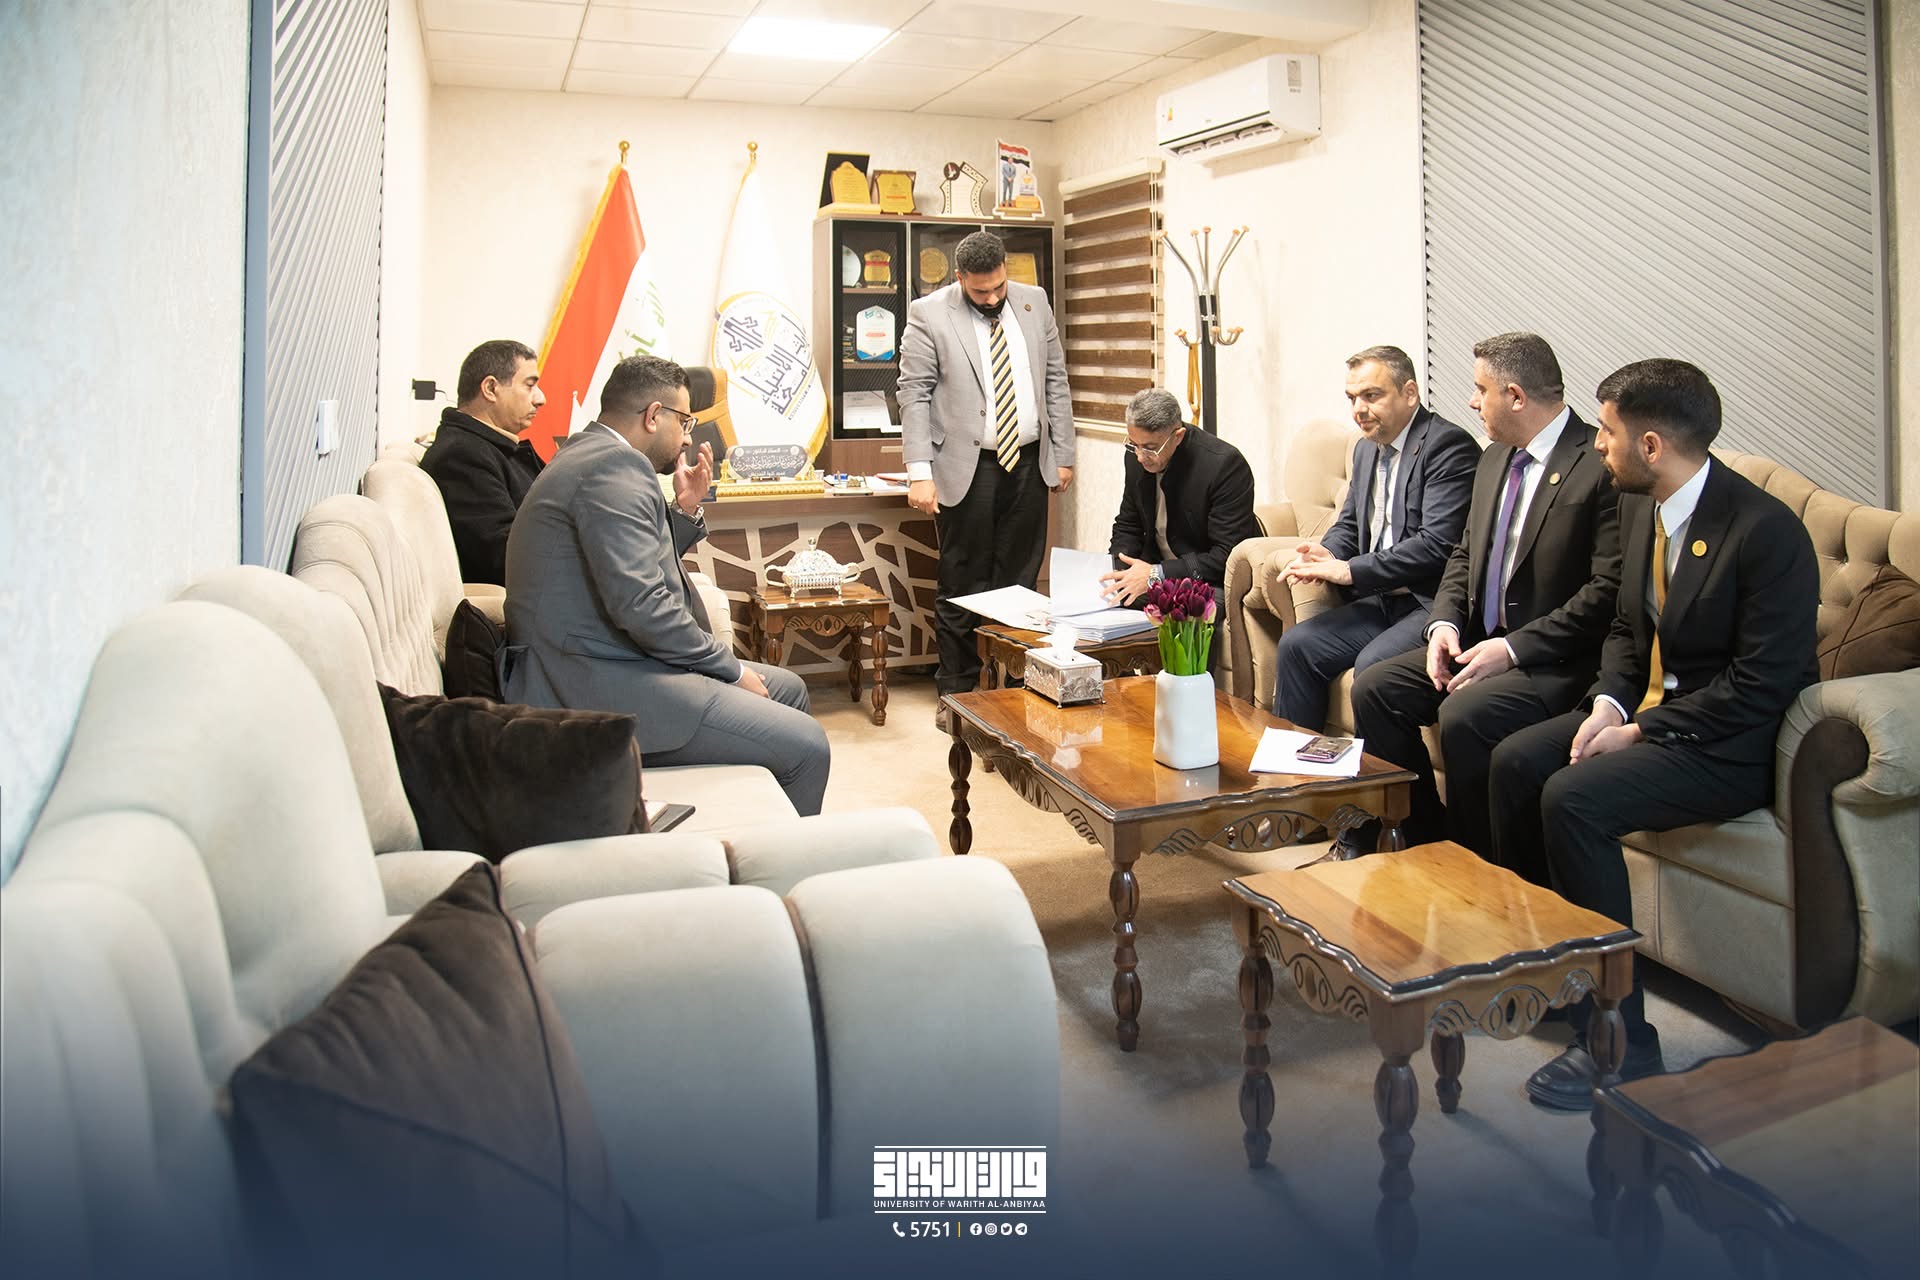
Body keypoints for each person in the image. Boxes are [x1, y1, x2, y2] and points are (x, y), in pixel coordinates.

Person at [1487, 359, 1819, 1110]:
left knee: (1573, 799)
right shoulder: (1641, 507)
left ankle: (1622, 1038)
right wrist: (1609, 704)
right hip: (1647, 715)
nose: (1596, 445)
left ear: (1650, 445)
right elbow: (1626, 630)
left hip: (1729, 744)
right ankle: (1552, 973)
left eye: (1606, 433)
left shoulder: (1767, 533)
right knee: (1513, 761)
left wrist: (1640, 731)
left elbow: (1760, 686)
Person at [501, 355, 831, 816]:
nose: (689, 436)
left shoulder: (593, 453)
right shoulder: (613, 466)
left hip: (603, 660)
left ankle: (755, 819)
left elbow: (629, 564)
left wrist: (684, 509)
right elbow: (642, 604)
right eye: (685, 421)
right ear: (654, 415)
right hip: (589, 684)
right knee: (809, 746)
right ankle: (773, 855)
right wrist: (730, 669)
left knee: (788, 688)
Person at [1347, 333, 1621, 860]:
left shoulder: (1597, 464)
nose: (1472, 402)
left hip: (1553, 659)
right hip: (1478, 640)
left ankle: (1475, 862)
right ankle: (1423, 837)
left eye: (1480, 390)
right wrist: (1444, 625)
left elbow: (1605, 592)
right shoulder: (1495, 457)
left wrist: (1513, 649)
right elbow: (1464, 554)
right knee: (1376, 688)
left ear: (1515, 396)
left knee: (1464, 714)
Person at [899, 230, 1074, 722]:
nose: (993, 298)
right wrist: (919, 472)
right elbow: (913, 394)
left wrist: (1063, 453)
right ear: (960, 278)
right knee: (964, 582)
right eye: (980, 291)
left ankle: (1014, 694)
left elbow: (1055, 380)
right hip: (965, 467)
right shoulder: (929, 313)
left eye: (998, 287)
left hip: (1028, 463)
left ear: (1006, 272)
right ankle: (957, 697)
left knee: (1020, 585)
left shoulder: (1034, 302)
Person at [1269, 345, 1478, 730]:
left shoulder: (1447, 446)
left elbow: (1437, 545)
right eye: (1352, 398)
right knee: (1297, 646)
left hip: (1429, 602)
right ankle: (1299, 763)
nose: (1358, 409)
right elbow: (1350, 523)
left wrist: (1350, 570)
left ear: (1409, 393)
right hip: (1381, 599)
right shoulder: (1366, 448)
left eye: (1371, 396)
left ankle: (1378, 772)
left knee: (1372, 667)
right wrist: (1327, 553)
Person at [1100, 387, 1261, 604]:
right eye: (1134, 445)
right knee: (1105, 598)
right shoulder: (1136, 457)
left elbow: (1226, 555)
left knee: (1182, 610)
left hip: (1208, 580)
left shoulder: (1224, 465)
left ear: (1178, 436)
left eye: (1150, 448)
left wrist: (1156, 574)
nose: (1140, 457)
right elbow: (1129, 525)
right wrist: (1120, 571)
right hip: (1155, 571)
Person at [420, 339, 547, 585]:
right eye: (530, 385)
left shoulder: (486, 449)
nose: (540, 399)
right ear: (490, 388)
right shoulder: (461, 457)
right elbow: (506, 558)